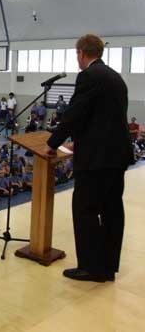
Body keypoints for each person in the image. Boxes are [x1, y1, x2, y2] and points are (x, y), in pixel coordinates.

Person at [45, 34, 134, 282]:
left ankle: (90, 267)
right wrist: (82, 139)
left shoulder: (89, 76)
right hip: (116, 156)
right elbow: (103, 119)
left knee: (84, 210)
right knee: (112, 211)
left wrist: (54, 143)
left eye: (76, 54)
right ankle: (107, 267)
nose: (77, 58)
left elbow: (75, 113)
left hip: (96, 160)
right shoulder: (115, 77)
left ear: (82, 53)